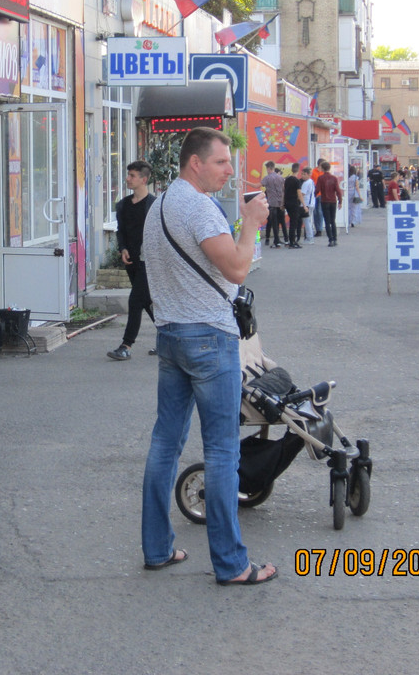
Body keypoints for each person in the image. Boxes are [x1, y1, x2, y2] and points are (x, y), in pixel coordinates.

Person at [139, 127, 277, 585]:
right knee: (221, 450)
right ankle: (232, 564)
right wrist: (251, 223)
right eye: (221, 162)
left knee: (165, 443)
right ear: (195, 163)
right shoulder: (198, 207)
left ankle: (157, 548)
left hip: (171, 335)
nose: (229, 170)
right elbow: (237, 268)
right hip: (209, 339)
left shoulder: (160, 205)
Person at [108, 161, 156, 359]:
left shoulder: (154, 205)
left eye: (132, 176)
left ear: (143, 180)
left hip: (149, 261)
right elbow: (121, 231)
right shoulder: (123, 205)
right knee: (146, 301)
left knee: (135, 300)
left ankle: (126, 346)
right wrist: (123, 248)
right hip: (132, 260)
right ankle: (169, 338)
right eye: (128, 175)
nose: (128, 179)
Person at [317, 161, 343, 247]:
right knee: (333, 221)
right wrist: (340, 201)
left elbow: (317, 190)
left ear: (322, 168)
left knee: (327, 221)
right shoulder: (334, 178)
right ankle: (335, 239)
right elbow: (338, 190)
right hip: (333, 201)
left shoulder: (320, 178)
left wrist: (312, 197)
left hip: (324, 201)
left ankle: (330, 240)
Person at [261, 161, 286, 247]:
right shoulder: (281, 178)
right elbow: (283, 190)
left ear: (268, 168)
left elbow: (257, 185)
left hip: (272, 203)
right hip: (280, 202)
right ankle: (281, 240)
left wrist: (244, 181)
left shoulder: (267, 178)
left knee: (272, 222)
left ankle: (275, 241)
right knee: (280, 221)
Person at [283, 162, 303, 248]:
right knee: (294, 222)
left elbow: (284, 191)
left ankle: (291, 241)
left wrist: (283, 203)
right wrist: (304, 204)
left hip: (287, 202)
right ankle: (292, 242)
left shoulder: (287, 179)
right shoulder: (297, 181)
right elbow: (299, 194)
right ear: (298, 170)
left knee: (292, 221)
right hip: (294, 202)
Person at [299, 166, 316, 245]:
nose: (302, 176)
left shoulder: (306, 183)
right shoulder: (311, 181)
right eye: (302, 174)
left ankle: (309, 238)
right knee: (308, 221)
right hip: (310, 203)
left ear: (309, 174)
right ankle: (309, 237)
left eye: (304, 174)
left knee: (307, 221)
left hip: (306, 204)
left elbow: (302, 194)